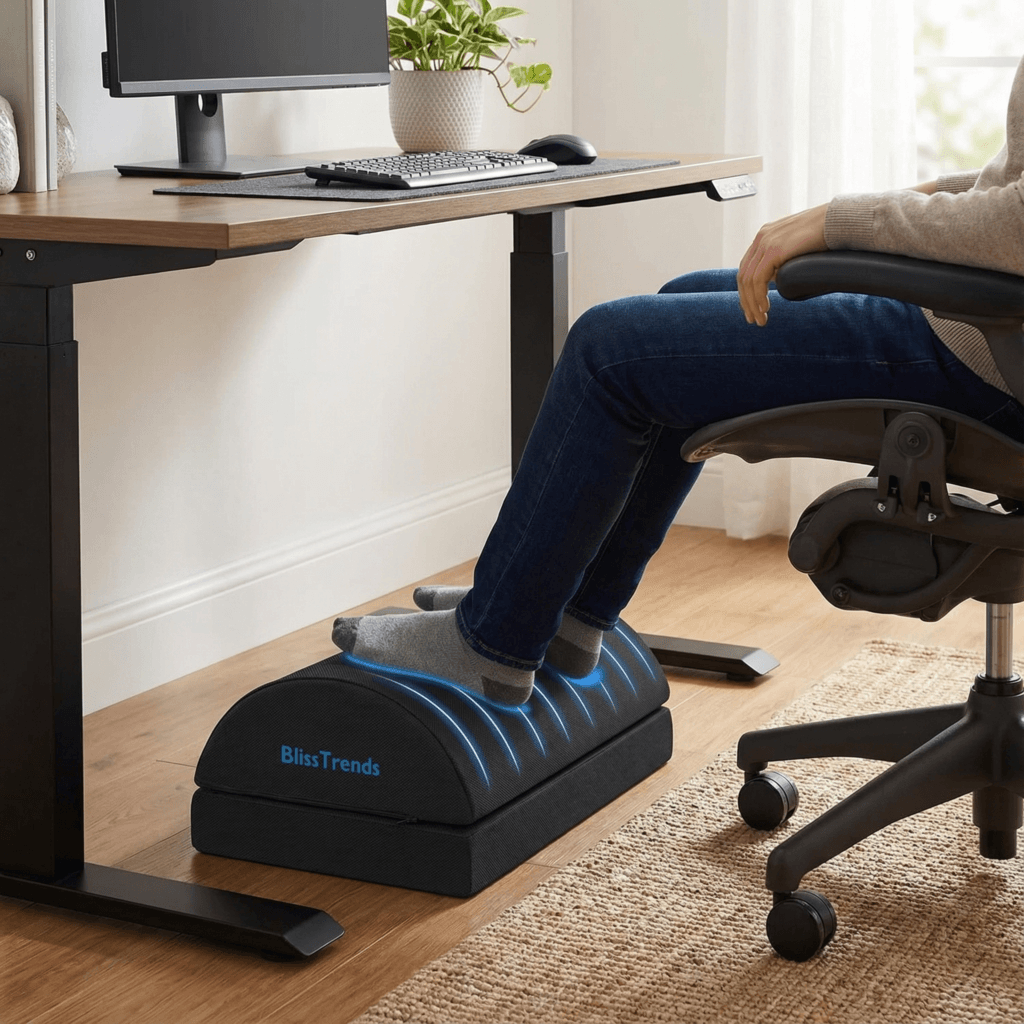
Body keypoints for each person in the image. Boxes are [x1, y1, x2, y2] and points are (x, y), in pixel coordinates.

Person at [333, 55, 1024, 706]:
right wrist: (925, 193)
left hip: (987, 353)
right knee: (679, 298)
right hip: (990, 335)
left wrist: (842, 221)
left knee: (609, 351)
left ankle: (492, 644)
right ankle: (571, 611)